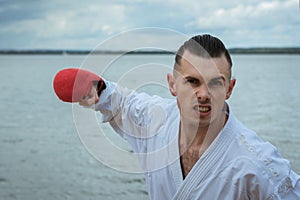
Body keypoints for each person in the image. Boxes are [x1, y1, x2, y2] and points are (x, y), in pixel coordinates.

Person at [54, 34, 300, 199]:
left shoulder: (260, 167)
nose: (203, 94)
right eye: (192, 81)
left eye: (215, 83)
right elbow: (122, 101)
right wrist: (96, 89)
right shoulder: (154, 122)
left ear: (229, 88)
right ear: (172, 85)